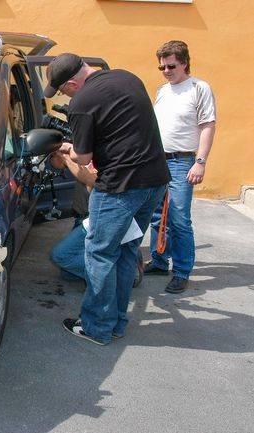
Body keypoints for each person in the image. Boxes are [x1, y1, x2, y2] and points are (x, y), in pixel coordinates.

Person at [43, 53, 170, 345]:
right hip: (155, 182)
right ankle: (116, 323)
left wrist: (64, 146)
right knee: (125, 251)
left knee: (99, 255)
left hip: (119, 188)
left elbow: (83, 157)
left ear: (74, 82)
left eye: (62, 90)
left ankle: (96, 327)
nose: (64, 95)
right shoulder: (128, 77)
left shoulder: (82, 103)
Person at [146, 40, 216, 294]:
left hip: (181, 161)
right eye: (162, 67)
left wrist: (200, 161)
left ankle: (182, 270)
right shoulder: (163, 91)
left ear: (184, 62)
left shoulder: (199, 88)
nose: (166, 70)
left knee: (178, 219)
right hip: (157, 159)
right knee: (156, 215)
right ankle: (159, 260)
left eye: (171, 65)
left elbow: (208, 125)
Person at [49, 152, 144, 287]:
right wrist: (56, 154)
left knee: (61, 256)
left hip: (98, 218)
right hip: (81, 217)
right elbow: (57, 165)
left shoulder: (109, 153)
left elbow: (91, 180)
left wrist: (66, 158)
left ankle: (125, 269)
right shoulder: (85, 148)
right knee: (67, 273)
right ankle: (123, 260)